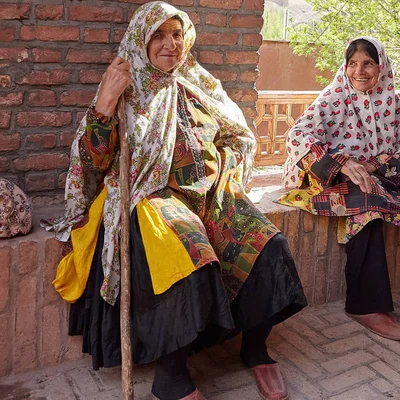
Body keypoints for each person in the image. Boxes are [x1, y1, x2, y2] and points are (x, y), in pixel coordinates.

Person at [41, 2, 307, 399]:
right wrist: (106, 103)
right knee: (187, 258)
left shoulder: (198, 82)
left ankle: (255, 350)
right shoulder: (124, 89)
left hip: (211, 193)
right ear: (141, 40)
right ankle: (172, 379)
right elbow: (92, 163)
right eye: (159, 35)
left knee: (269, 247)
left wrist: (227, 170)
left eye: (177, 34)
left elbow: (238, 136)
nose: (170, 44)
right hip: (152, 195)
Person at [278, 36, 400, 341]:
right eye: (353, 63)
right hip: (334, 177)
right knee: (367, 207)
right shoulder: (334, 98)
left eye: (368, 63)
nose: (360, 71)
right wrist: (344, 163)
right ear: (344, 67)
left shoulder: (391, 100)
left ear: (380, 66)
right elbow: (298, 136)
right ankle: (365, 306)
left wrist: (372, 166)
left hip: (383, 173)